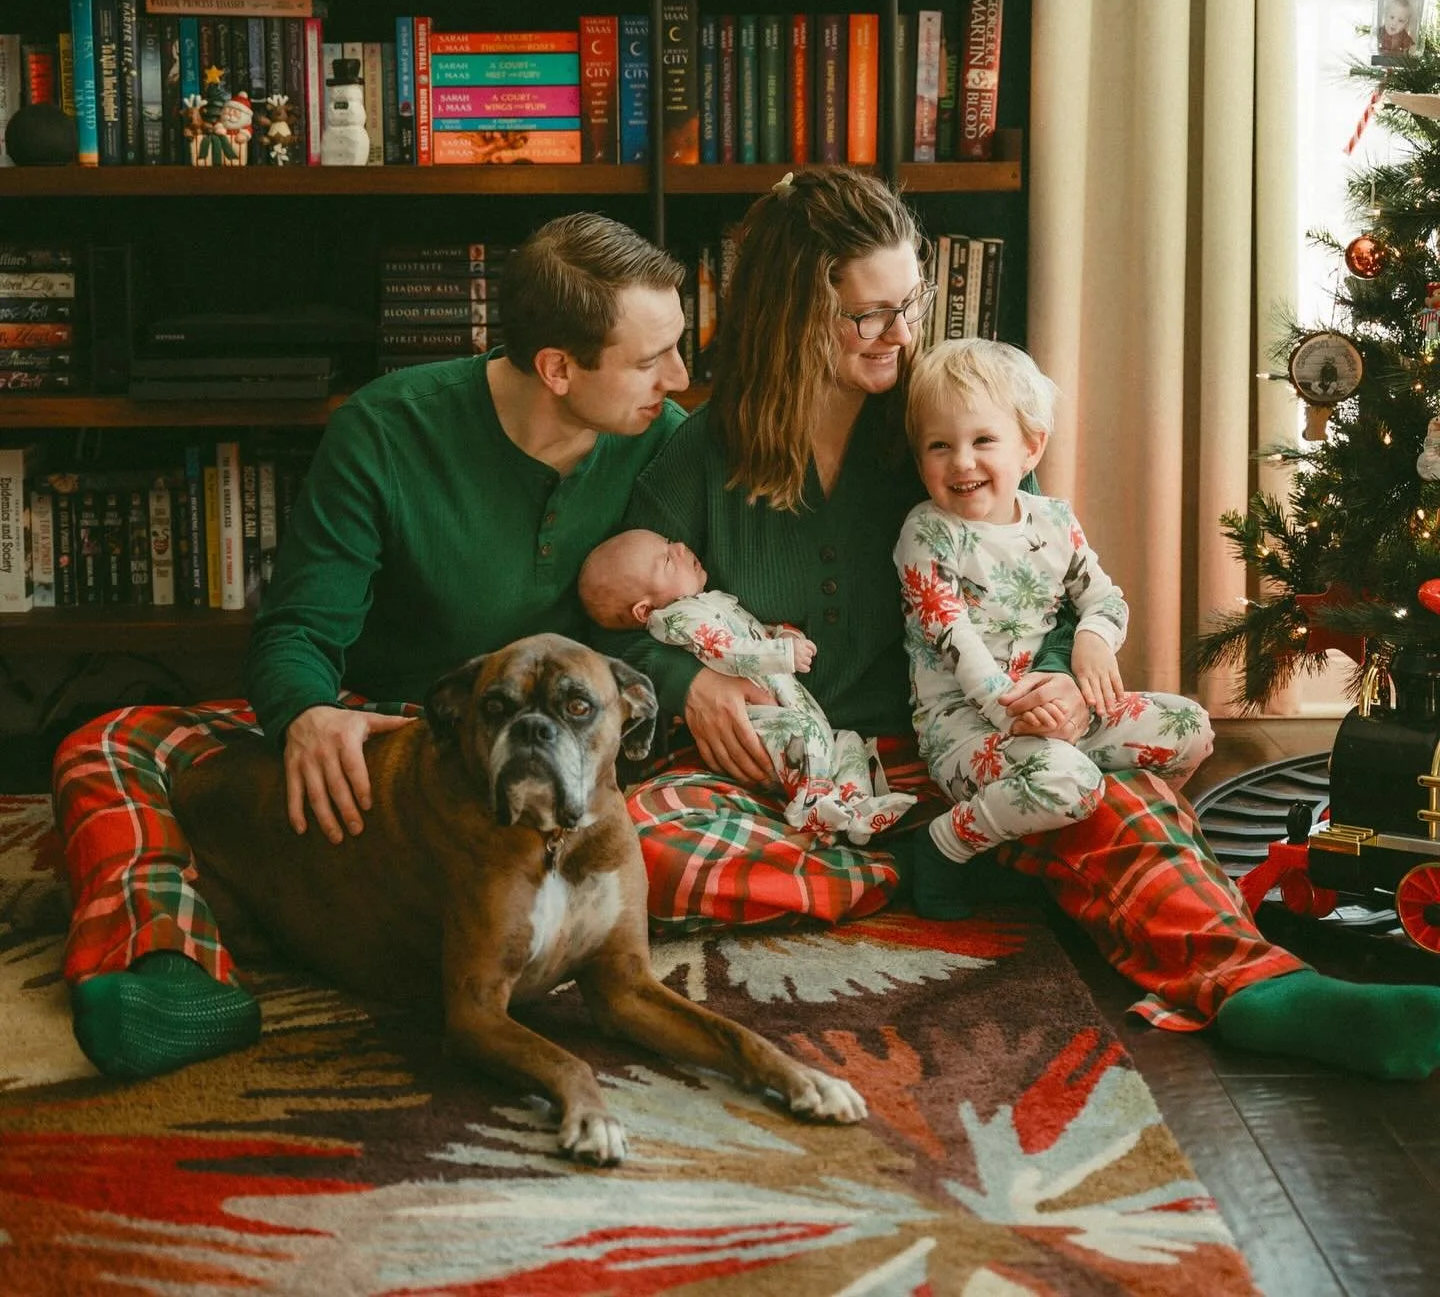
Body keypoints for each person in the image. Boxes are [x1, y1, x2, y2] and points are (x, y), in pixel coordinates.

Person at [613, 165, 1440, 1081]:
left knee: (1127, 803)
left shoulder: (940, 421)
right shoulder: (703, 450)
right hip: (795, 775)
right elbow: (619, 613)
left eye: (910, 302)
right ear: (793, 315)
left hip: (962, 744)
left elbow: (1042, 570)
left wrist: (1053, 677)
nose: (903, 333)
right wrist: (694, 686)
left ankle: (1259, 989)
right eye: (869, 315)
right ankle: (927, 867)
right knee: (637, 842)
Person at [52, 214, 690, 1081]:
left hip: (577, 771)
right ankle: (169, 969)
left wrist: (703, 686)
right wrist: (307, 713)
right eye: (653, 359)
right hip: (390, 744)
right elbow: (300, 629)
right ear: (557, 367)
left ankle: (478, 919)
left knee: (727, 814)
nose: (678, 378)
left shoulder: (665, 443)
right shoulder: (389, 427)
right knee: (110, 746)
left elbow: (686, 623)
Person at [895, 337, 1212, 878]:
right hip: (969, 726)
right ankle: (942, 846)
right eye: (939, 446)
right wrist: (1015, 713)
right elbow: (954, 642)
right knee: (1070, 782)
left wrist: (1093, 640)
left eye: (984, 439)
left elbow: (1104, 597)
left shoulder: (1053, 520)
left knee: (1192, 726)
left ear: (1031, 448)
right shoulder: (927, 533)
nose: (962, 461)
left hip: (1060, 712)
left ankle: (1061, 813)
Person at [578, 527, 916, 843]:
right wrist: (781, 652)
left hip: (804, 715)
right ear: (644, 610)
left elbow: (748, 631)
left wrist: (780, 633)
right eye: (667, 559)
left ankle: (856, 806)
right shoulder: (677, 619)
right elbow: (727, 651)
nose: (680, 547)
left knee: (848, 743)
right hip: (764, 726)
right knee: (801, 740)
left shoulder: (709, 602)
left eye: (671, 543)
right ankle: (814, 806)